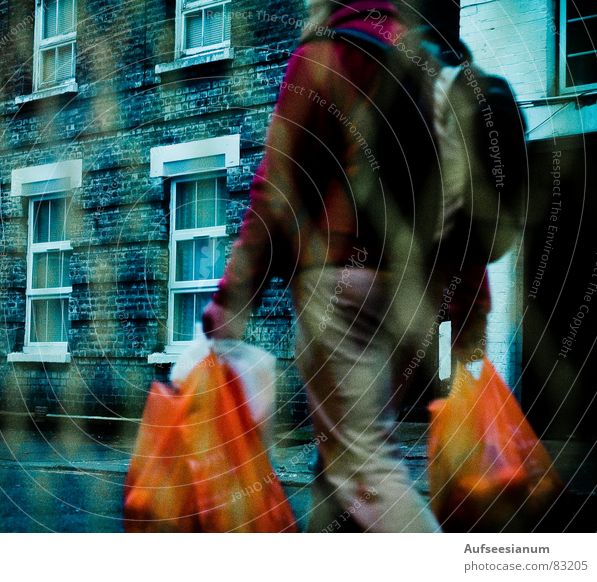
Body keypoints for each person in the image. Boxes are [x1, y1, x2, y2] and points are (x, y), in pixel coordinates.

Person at [202, 0, 490, 532]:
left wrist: (233, 298)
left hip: (341, 289)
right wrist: (471, 311)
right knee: (339, 459)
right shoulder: (430, 60)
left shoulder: (327, 54)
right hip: (415, 296)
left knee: (363, 466)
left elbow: (277, 188)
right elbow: (465, 200)